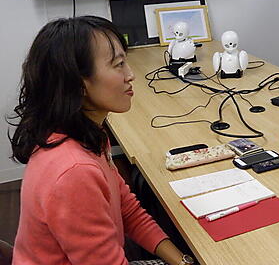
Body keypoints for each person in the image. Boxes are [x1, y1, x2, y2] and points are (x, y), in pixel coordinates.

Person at [9, 16, 195, 265]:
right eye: (118, 65)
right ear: (78, 82)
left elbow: (127, 209)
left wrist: (182, 261)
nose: (130, 75)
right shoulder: (74, 171)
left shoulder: (86, 134)